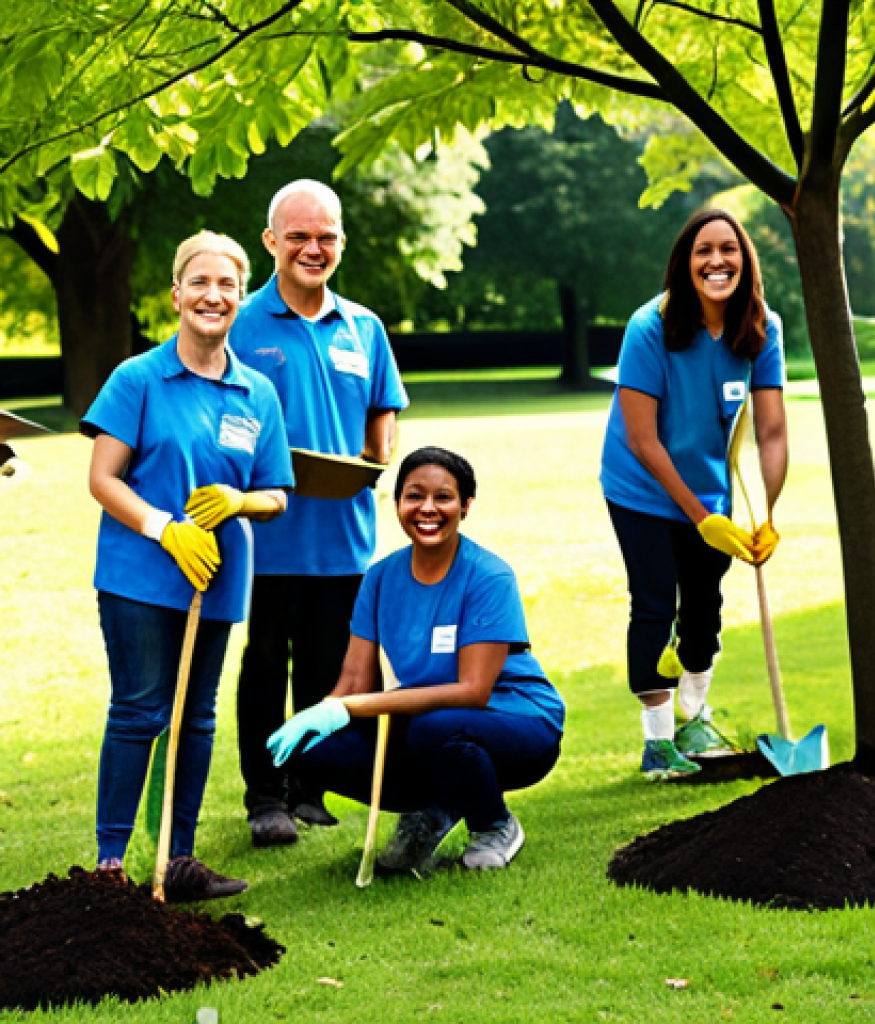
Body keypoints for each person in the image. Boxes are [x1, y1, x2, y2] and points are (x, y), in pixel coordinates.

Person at [81, 231, 294, 901]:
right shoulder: (138, 378)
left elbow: (278, 495)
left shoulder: (256, 392)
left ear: (241, 298)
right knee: (141, 710)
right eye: (200, 282)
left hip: (219, 580)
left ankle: (177, 858)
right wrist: (164, 528)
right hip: (141, 577)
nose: (214, 295)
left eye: (228, 284)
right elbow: (103, 478)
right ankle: (113, 862)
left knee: (196, 717)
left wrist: (241, 499)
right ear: (177, 294)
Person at [267, 447, 565, 874]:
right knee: (318, 751)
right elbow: (354, 679)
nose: (428, 508)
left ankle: (494, 826)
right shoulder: (380, 576)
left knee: (435, 729)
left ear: (466, 506)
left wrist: (348, 708)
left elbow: (473, 691)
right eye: (414, 496)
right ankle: (435, 807)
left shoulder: (488, 576)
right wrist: (321, 715)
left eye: (443, 497)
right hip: (434, 722)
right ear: (397, 504)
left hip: (516, 719)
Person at [229, 179, 409, 847]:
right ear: (271, 241)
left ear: (341, 242)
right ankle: (264, 796)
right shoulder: (239, 322)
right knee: (266, 661)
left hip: (345, 533)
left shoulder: (364, 327)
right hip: (265, 534)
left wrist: (374, 456)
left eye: (325, 236)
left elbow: (381, 410)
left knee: (331, 667)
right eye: (298, 236)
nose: (313, 247)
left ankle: (311, 787)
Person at [599, 207, 788, 780]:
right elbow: (642, 437)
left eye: (728, 249)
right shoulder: (650, 326)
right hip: (641, 488)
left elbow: (773, 430)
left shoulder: (760, 328)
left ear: (744, 260)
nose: (716, 261)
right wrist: (699, 516)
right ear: (685, 262)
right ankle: (657, 744)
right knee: (655, 603)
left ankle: (694, 716)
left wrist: (766, 514)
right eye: (703, 250)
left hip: (711, 491)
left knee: (704, 610)